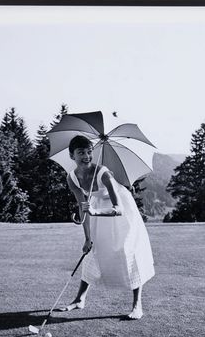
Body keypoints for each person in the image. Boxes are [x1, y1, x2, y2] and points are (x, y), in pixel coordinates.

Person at [60, 135, 155, 319]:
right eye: (81, 153)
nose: (87, 156)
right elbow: (83, 207)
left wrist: (95, 212)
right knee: (93, 252)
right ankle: (80, 299)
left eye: (89, 152)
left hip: (122, 210)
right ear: (72, 156)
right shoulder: (72, 178)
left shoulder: (104, 173)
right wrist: (87, 237)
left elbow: (118, 208)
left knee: (128, 252)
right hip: (96, 207)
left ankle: (137, 306)